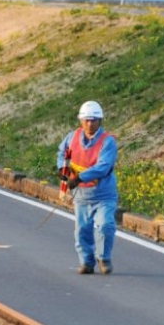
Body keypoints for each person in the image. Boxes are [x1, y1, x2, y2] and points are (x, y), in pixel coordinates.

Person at [57, 100, 118, 275]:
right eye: (86, 120)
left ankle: (103, 257)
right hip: (82, 196)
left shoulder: (108, 142)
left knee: (105, 225)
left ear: (100, 121)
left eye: (94, 120)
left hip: (103, 194)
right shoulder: (72, 137)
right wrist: (63, 169)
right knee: (82, 230)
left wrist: (79, 178)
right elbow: (62, 153)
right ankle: (87, 262)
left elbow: (104, 166)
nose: (90, 124)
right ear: (81, 120)